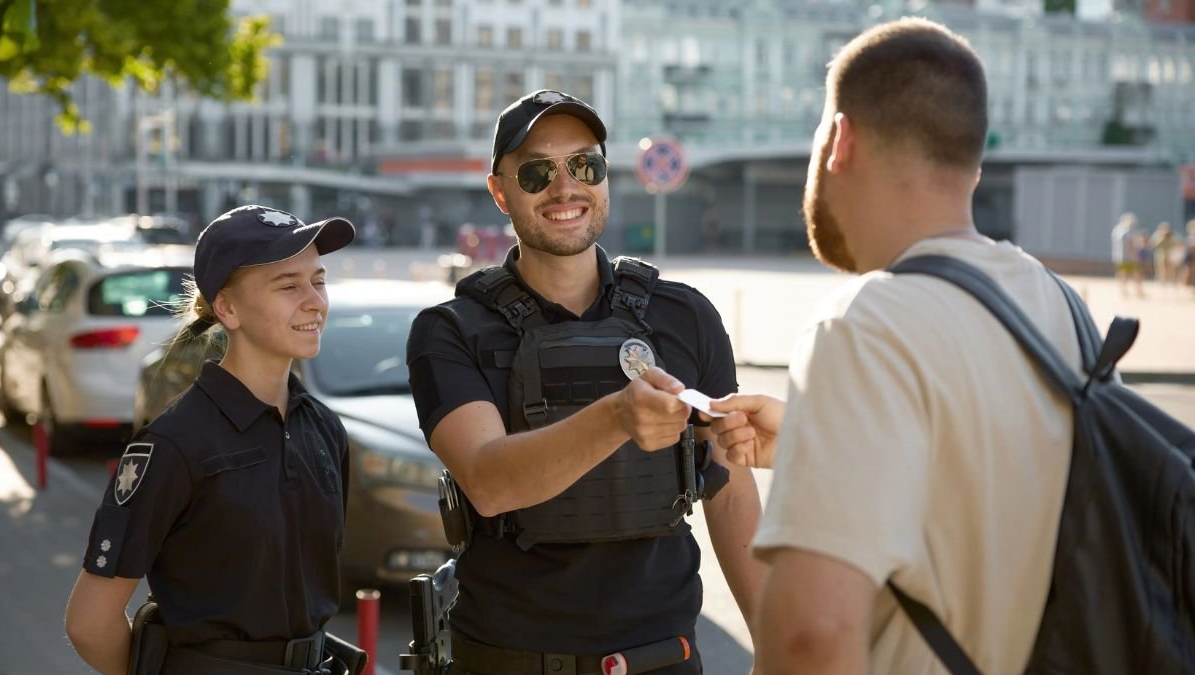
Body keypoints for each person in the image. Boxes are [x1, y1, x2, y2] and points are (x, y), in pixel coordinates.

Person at [704, 19, 1086, 673]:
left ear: (841, 140)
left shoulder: (861, 327)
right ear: (971, 160)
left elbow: (811, 636)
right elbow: (986, 494)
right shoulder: (1057, 304)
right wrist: (813, 441)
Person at [406, 89, 763, 674]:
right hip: (511, 661)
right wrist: (617, 416)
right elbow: (490, 482)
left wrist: (772, 644)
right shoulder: (449, 331)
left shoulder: (684, 315)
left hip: (662, 659)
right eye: (537, 172)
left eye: (584, 165)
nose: (564, 188)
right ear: (500, 192)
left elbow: (728, 489)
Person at [65, 205, 359, 674]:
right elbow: (89, 621)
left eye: (318, 281)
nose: (314, 301)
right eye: (288, 285)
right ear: (227, 308)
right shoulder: (174, 444)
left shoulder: (323, 428)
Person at [1111, 212, 1144, 297]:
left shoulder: (1116, 230)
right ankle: (1138, 291)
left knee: (1123, 274)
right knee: (1136, 274)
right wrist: (1134, 256)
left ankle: (1123, 291)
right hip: (1129, 257)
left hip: (1119, 256)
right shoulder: (1127, 231)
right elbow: (1131, 244)